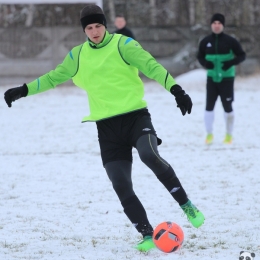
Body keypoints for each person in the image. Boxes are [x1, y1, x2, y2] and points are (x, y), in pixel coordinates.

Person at [4, 4, 204, 252]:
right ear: (84, 30)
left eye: (98, 25)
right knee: (120, 183)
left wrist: (177, 91)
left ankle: (186, 204)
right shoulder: (77, 55)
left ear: (105, 25)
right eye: (89, 27)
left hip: (135, 118)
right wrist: (24, 90)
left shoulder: (123, 45)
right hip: (107, 129)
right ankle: (147, 234)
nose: (95, 31)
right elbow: (53, 77)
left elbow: (151, 66)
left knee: (149, 155)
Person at [197, 13, 246, 144]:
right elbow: (199, 56)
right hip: (212, 79)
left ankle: (229, 135)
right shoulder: (205, 41)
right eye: (214, 23)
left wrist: (230, 63)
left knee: (227, 106)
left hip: (227, 79)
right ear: (211, 25)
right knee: (209, 107)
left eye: (219, 23)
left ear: (223, 25)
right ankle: (209, 135)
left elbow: (242, 55)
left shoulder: (231, 41)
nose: (217, 26)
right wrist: (205, 64)